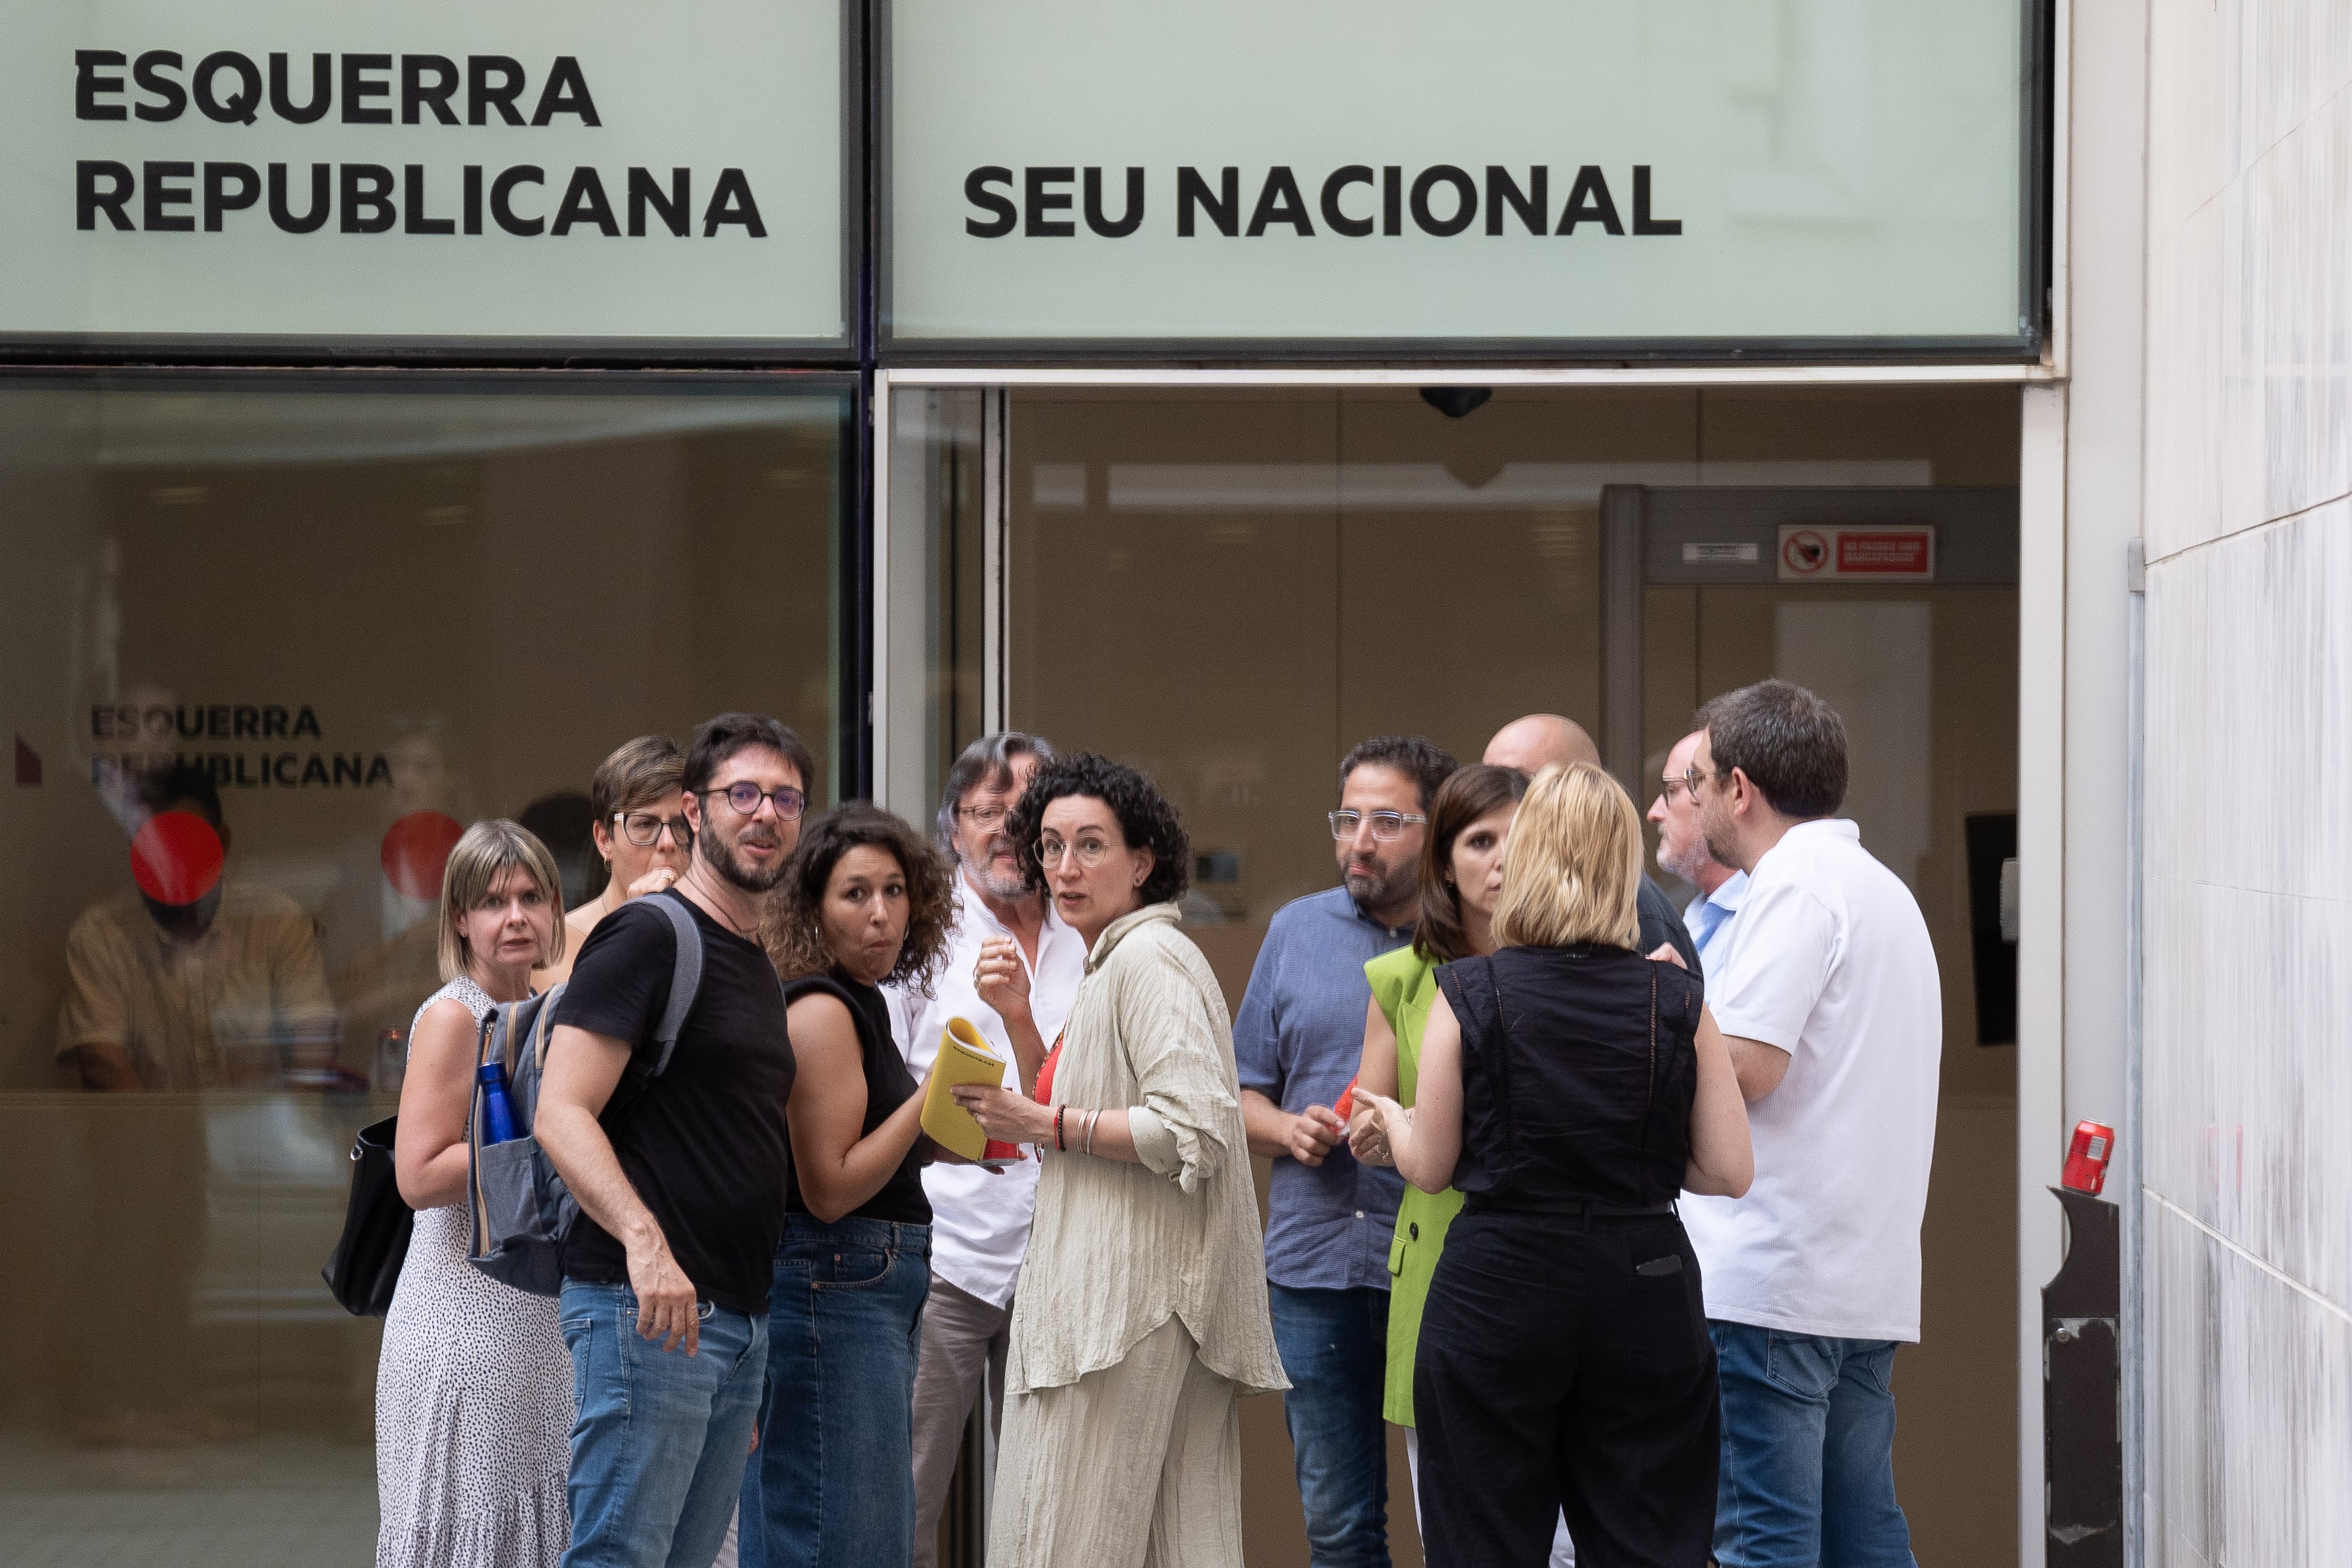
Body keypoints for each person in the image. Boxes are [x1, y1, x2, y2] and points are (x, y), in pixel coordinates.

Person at [1357, 763, 1754, 1568]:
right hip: (1643, 1282)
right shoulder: (1678, 1001)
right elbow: (1727, 1170)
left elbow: (1430, 1166)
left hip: (1499, 1282)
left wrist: (1395, 1121)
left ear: (1531, 857)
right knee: (1650, 1543)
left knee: (1485, 1543)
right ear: (1623, 868)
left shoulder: (1466, 990)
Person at [950, 752, 1287, 1568]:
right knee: (1179, 1548)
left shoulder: (1147, 960)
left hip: (1121, 1313)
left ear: (1143, 860)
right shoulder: (1118, 960)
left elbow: (1196, 1130)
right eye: (1052, 846)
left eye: (1091, 846)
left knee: (1058, 1546)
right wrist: (1019, 1017)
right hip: (1137, 1308)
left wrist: (1044, 1120)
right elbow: (1065, 1103)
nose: (1064, 869)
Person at [536, 713, 811, 1568]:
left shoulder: (756, 962)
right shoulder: (652, 935)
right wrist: (645, 1246)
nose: (764, 813)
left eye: (785, 798)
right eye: (742, 794)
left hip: (730, 1324)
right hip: (646, 1310)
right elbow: (561, 1111)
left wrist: (749, 1337)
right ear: (695, 811)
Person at [1682, 680, 1941, 1568]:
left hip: (1772, 1280)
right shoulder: (1881, 892)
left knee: (1766, 1542)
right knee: (1862, 1531)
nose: (1697, 799)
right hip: (1858, 1281)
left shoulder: (1792, 887)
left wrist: (1669, 1007)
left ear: (1741, 788)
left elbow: (1747, 1066)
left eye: (1702, 780)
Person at [58, 760, 337, 1448]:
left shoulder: (273, 918)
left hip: (259, 1132)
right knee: (139, 1240)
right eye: (155, 840)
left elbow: (311, 1039)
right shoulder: (102, 931)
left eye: (189, 840)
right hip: (141, 1138)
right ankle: (112, 1399)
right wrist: (170, 1138)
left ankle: (185, 1394)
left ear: (224, 841)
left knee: (198, 1257)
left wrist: (287, 1131)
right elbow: (101, 1055)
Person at [1342, 763, 1578, 1563]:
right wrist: (1384, 1129)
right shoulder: (1403, 978)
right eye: (1480, 840)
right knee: (1458, 1531)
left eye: (1521, 839)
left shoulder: (1587, 969)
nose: (1501, 859)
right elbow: (1366, 1114)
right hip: (1438, 1255)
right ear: (1445, 860)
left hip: (1563, 1266)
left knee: (1570, 1539)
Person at [1234, 734, 1458, 1568]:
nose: (1359, 841)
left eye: (1388, 820)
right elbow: (1237, 1092)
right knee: (1338, 1523)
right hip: (1314, 1267)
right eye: (1348, 818)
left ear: (1436, 829)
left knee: (1460, 1511)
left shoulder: (1470, 941)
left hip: (1433, 1258)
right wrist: (1287, 1130)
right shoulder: (1296, 931)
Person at [739, 802, 958, 1568]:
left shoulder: (860, 998)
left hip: (856, 1284)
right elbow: (829, 1187)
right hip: (835, 1284)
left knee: (842, 1528)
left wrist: (950, 1135)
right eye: (855, 894)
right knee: (849, 1537)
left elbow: (873, 1153)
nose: (882, 915)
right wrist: (926, 1107)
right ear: (812, 908)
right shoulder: (823, 1006)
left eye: (895, 891)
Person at [889, 734, 1089, 1568]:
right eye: (985, 812)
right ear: (952, 828)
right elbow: (878, 1091)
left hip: (1066, 1253)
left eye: (1026, 811)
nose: (1008, 830)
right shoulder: (916, 935)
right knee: (907, 1493)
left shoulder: (1089, 933)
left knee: (1053, 1507)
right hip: (946, 1253)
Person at [378, 819, 574, 1568]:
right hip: (464, 1317)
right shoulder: (455, 1015)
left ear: (555, 908)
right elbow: (418, 1173)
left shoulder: (551, 1005)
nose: (515, 915)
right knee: (475, 1536)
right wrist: (544, 1138)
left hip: (536, 1316)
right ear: (460, 917)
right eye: (493, 900)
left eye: (530, 895)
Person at [1483, 714, 1700, 975]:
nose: (1490, 800)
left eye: (1515, 784)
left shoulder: (1627, 913)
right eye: (1489, 784)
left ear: (1580, 789)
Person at [537, 735, 695, 988]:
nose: (668, 842)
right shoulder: (558, 946)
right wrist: (634, 929)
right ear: (603, 840)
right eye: (645, 824)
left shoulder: (717, 934)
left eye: (681, 825)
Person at [1649, 730, 1747, 975]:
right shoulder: (1698, 909)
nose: (1654, 813)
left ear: (1734, 793)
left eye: (1672, 791)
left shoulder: (1772, 908)